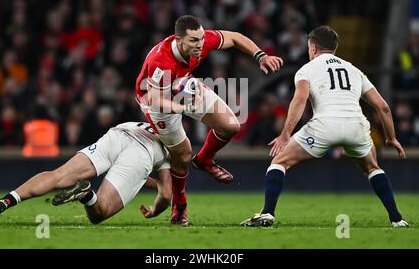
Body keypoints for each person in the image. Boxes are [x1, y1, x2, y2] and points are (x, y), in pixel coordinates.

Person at [241, 26, 409, 228]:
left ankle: (267, 213)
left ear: (312, 48)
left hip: (324, 126)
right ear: (335, 49)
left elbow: (300, 99)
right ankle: (397, 219)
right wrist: (391, 137)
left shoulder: (307, 70)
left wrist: (285, 134)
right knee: (372, 168)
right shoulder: (354, 70)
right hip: (356, 125)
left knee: (279, 162)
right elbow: (382, 107)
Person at [135, 15, 283, 225]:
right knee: (182, 154)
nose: (200, 44)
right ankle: (180, 205)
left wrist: (260, 56)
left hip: (180, 84)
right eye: (194, 40)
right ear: (179, 41)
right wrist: (183, 108)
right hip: (153, 98)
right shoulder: (161, 60)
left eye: (202, 38)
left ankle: (204, 159)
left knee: (230, 126)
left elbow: (235, 37)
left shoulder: (202, 42)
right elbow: (156, 100)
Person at [0, 122, 172, 225]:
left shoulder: (148, 123)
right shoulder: (173, 146)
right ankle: (86, 193)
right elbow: (165, 194)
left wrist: (144, 181)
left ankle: (8, 200)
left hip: (120, 133)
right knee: (100, 212)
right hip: (141, 153)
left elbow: (141, 178)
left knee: (58, 175)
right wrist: (155, 209)